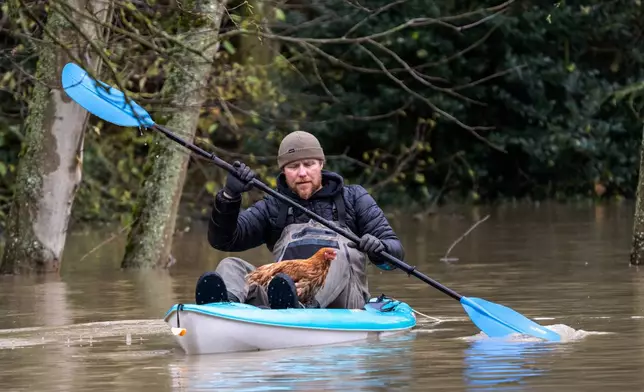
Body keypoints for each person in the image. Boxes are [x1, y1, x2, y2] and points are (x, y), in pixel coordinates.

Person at [195, 130, 405, 309]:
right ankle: (225, 310)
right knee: (230, 265)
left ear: (321, 164)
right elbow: (223, 240)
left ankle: (305, 309)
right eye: (293, 167)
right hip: (282, 298)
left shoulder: (354, 198)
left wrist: (379, 249)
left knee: (335, 257)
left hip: (343, 301)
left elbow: (395, 254)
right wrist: (229, 197)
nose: (302, 173)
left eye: (309, 164)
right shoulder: (274, 206)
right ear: (284, 171)